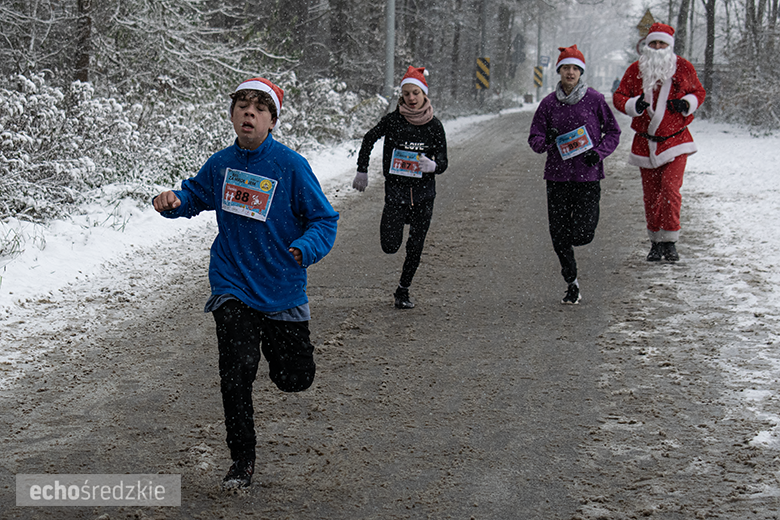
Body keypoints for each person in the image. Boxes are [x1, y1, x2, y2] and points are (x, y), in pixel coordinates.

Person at [153, 77, 339, 489]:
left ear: (272, 120)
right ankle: (242, 459)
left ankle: (279, 355)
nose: (248, 113)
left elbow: (325, 220)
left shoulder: (291, 166)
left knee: (294, 378)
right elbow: (196, 195)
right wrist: (174, 202)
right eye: (242, 106)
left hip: (281, 285)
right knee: (236, 370)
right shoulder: (222, 163)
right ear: (233, 115)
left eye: (259, 108)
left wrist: (305, 247)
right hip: (232, 281)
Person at [528, 45, 621, 304]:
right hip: (557, 177)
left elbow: (613, 132)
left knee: (583, 233)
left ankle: (568, 241)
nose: (570, 72)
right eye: (566, 68)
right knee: (558, 234)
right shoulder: (548, 103)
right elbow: (534, 139)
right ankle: (571, 282)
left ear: (581, 72)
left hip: (587, 176)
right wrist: (547, 140)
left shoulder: (595, 100)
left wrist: (598, 153)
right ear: (559, 71)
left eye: (575, 68)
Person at [352, 66, 448, 309]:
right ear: (401, 96)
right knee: (390, 246)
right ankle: (394, 244)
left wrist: (433, 166)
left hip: (424, 195)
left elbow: (444, 161)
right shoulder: (393, 121)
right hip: (396, 193)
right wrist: (362, 169)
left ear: (424, 94)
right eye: (407, 94)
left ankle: (403, 290)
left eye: (416, 93)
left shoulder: (434, 126)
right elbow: (368, 139)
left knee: (415, 246)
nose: (411, 98)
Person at [613, 23, 706, 262]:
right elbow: (619, 96)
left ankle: (670, 241)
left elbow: (699, 92)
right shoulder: (635, 69)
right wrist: (633, 104)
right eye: (653, 43)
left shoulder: (683, 67)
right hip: (645, 142)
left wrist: (686, 103)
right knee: (651, 195)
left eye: (661, 43)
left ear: (669, 45)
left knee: (670, 189)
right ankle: (655, 242)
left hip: (676, 140)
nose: (656, 47)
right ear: (646, 45)